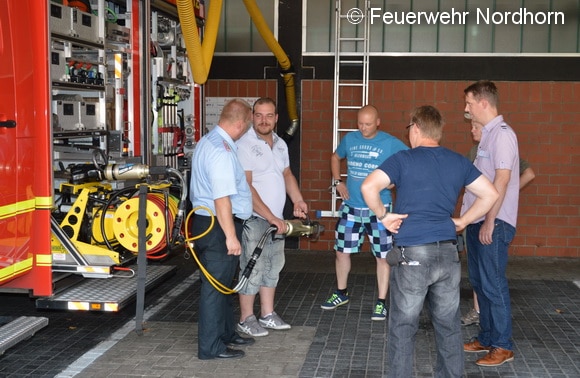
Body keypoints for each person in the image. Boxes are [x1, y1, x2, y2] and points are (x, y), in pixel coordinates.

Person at [361, 105, 499, 378]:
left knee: (403, 325)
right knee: (448, 325)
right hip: (448, 254)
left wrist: (384, 216)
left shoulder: (402, 159)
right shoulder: (458, 161)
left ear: (416, 128)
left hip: (412, 253)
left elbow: (368, 186)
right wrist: (463, 221)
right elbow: (491, 194)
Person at [320, 105, 408, 321]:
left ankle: (381, 302)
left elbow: (410, 160)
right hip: (351, 207)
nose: (363, 128)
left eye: (368, 124)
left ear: (378, 122)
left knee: (383, 257)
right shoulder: (350, 139)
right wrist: (338, 181)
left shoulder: (390, 143)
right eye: (360, 123)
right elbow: (334, 157)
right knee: (341, 251)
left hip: (379, 210)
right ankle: (341, 293)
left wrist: (394, 182)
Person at [235, 97, 308, 337]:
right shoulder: (244, 144)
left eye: (269, 116)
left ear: (276, 119)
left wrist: (297, 199)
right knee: (252, 268)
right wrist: (270, 217)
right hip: (256, 220)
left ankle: (267, 314)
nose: (264, 120)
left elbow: (286, 174)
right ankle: (246, 318)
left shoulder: (279, 144)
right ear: (252, 116)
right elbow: (246, 186)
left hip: (276, 220)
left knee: (273, 267)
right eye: (259, 115)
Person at [189, 98, 255, 360]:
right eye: (249, 123)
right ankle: (210, 347)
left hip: (213, 224)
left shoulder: (210, 141)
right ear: (240, 123)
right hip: (218, 226)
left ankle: (227, 333)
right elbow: (221, 198)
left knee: (226, 283)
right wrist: (230, 237)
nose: (248, 127)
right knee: (215, 288)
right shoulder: (222, 151)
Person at [461, 80, 520, 367]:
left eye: (469, 104)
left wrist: (490, 220)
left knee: (493, 284)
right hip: (479, 221)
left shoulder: (503, 135)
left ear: (484, 103)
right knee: (481, 283)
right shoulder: (487, 136)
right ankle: (486, 336)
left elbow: (503, 180)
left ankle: (503, 346)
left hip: (492, 223)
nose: (466, 109)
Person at [461, 119, 536, 327]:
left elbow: (525, 174)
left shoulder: (500, 144)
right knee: (478, 277)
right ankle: (484, 330)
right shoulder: (474, 151)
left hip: (490, 218)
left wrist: (509, 192)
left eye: (476, 126)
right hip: (475, 217)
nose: (472, 129)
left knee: (491, 281)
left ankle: (501, 343)